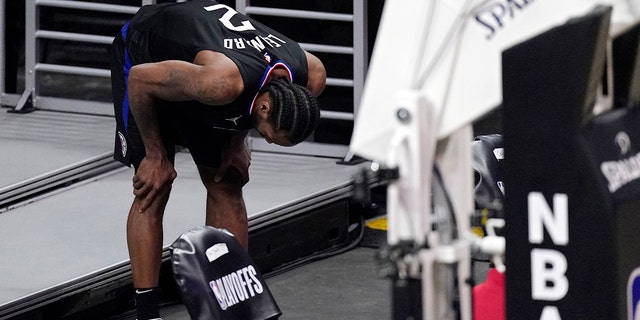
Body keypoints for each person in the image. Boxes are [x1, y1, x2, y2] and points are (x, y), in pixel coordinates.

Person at [110, 1, 326, 319]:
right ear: (265, 109)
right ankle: (147, 312)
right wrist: (156, 155)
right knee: (154, 186)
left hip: (200, 77)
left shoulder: (312, 76)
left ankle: (230, 301)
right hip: (146, 61)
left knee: (227, 180)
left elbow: (252, 104)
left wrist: (237, 141)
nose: (265, 141)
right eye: (268, 136)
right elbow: (142, 80)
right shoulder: (222, 83)